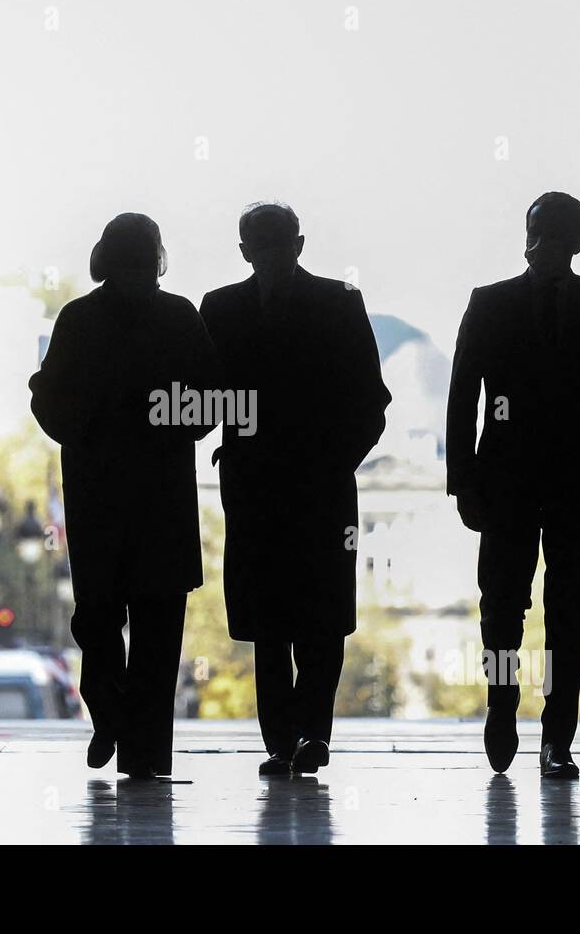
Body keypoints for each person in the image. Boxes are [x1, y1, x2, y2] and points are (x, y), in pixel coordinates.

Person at [446, 191, 580, 779]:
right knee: (505, 608)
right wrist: (463, 483)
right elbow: (461, 396)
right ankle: (507, 711)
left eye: (552, 233)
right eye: (540, 232)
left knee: (568, 612)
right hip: (523, 480)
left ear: (575, 243)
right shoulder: (499, 303)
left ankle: (555, 733)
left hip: (553, 479)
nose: (544, 243)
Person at [200, 202, 391, 776]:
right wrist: (334, 460)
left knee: (276, 621)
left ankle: (285, 740)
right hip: (317, 486)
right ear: (300, 243)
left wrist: (233, 443)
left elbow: (206, 394)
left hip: (268, 483)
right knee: (313, 616)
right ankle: (308, 736)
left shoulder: (222, 309)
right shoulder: (339, 303)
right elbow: (371, 402)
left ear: (244, 250)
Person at [29, 213, 218, 779]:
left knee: (98, 616)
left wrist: (87, 432)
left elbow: (48, 401)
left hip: (96, 496)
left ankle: (107, 709)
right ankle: (146, 752)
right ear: (156, 255)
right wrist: (165, 425)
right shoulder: (179, 317)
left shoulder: (78, 318)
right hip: (162, 498)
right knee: (160, 630)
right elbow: (211, 399)